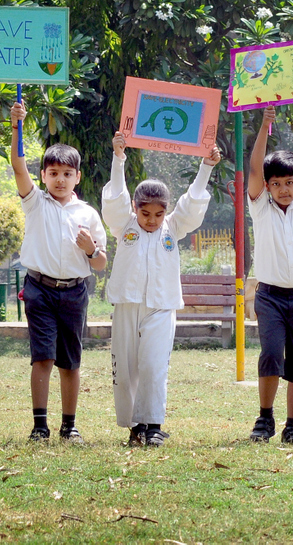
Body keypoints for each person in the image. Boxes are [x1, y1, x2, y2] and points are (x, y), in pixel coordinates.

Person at [102, 131, 221, 447]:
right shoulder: (123, 225)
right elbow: (114, 198)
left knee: (153, 366)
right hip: (127, 305)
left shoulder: (174, 227)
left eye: (158, 214)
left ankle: (153, 424)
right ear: (135, 208)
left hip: (161, 306)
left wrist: (206, 167)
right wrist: (119, 158)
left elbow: (191, 204)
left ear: (165, 211)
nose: (151, 220)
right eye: (145, 213)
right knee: (126, 372)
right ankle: (135, 427)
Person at [9, 101, 108, 443]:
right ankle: (40, 426)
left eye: (67, 174)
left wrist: (90, 249)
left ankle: (70, 425)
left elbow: (101, 263)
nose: (60, 180)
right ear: (44, 176)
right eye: (53, 173)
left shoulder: (88, 213)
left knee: (70, 360)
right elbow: (18, 165)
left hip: (74, 292)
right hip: (39, 289)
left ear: (77, 176)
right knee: (43, 357)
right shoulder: (35, 202)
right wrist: (16, 126)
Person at [247, 102, 293, 444]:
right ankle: (265, 419)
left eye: (289, 183)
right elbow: (253, 171)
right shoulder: (260, 207)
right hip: (271, 297)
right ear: (269, 186)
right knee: (272, 354)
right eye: (276, 184)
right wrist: (265, 125)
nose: (284, 190)